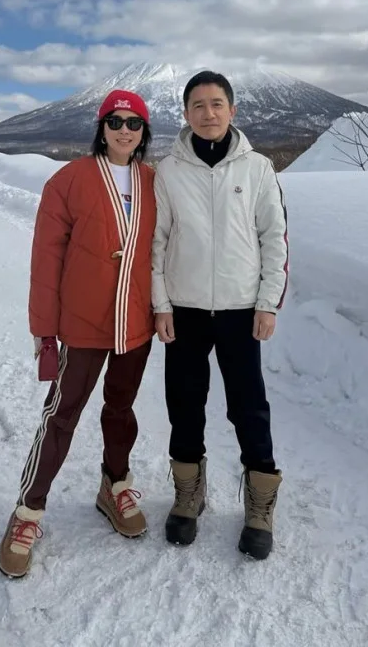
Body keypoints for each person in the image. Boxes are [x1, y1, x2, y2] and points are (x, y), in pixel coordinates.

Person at [0, 90, 157, 579]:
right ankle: (28, 511)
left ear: (144, 131)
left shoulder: (155, 182)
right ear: (101, 128)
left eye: (134, 123)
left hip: (136, 321)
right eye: (115, 121)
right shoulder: (68, 181)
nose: (124, 130)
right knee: (62, 414)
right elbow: (46, 261)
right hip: (83, 322)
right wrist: (45, 329)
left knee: (121, 409)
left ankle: (115, 484)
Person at [152, 71, 288, 561]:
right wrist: (161, 304)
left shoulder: (257, 168)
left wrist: (267, 302)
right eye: (198, 105)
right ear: (185, 114)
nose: (208, 113)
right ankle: (189, 495)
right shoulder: (168, 170)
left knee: (248, 406)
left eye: (216, 104)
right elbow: (157, 242)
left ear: (232, 110)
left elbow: (274, 238)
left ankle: (260, 505)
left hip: (239, 309)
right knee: (184, 402)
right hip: (185, 309)